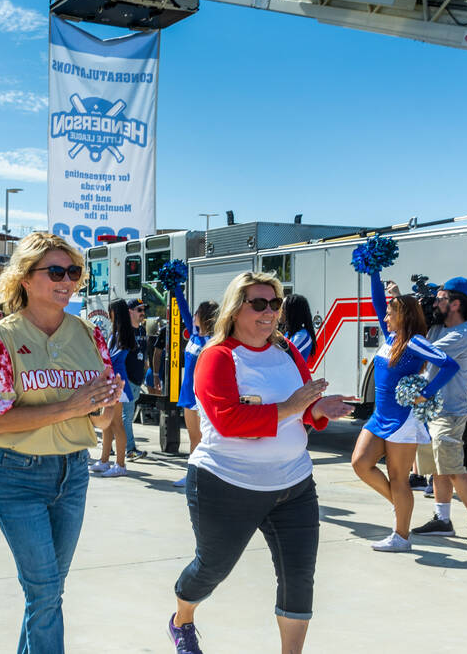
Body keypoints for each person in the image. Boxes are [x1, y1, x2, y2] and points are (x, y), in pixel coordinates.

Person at [169, 271, 351, 654]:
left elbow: (301, 406)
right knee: (212, 569)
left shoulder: (286, 351)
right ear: (236, 309)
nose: (269, 312)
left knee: (299, 578)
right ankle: (182, 619)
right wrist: (293, 406)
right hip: (226, 485)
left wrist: (320, 408)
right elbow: (228, 421)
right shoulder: (216, 357)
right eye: (259, 303)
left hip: (294, 485)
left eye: (275, 304)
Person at [0, 231, 122, 653]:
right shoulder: (1, 338)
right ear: (25, 277)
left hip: (73, 474)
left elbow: (104, 417)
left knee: (48, 593)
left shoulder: (89, 335)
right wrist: (71, 406)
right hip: (17, 477)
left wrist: (104, 404)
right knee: (44, 593)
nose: (67, 280)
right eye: (56, 271)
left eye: (74, 272)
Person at [350, 270, 457, 551]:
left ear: (404, 316)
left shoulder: (414, 342)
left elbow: (450, 365)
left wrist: (427, 392)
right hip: (379, 417)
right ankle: (401, 506)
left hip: (403, 420)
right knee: (360, 463)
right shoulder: (391, 336)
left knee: (399, 479)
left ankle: (401, 537)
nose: (384, 318)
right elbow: (376, 301)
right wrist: (373, 272)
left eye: (390, 313)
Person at [409, 276, 467, 550]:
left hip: (450, 412)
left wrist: (413, 320)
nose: (435, 303)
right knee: (437, 469)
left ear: (456, 304)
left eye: (441, 299)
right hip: (431, 409)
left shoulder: (465, 334)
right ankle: (442, 519)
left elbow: (426, 352)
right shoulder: (437, 328)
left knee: (454, 469)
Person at [170, 281, 218, 489]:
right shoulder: (195, 333)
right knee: (193, 438)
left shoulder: (214, 340)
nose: (194, 315)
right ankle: (192, 476)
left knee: (204, 439)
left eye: (198, 312)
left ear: (205, 316)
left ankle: (205, 478)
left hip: (201, 396)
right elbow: (183, 309)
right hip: (187, 394)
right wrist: (175, 287)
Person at [94, 297, 148, 471]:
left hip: (118, 383)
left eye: (111, 311)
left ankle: (120, 464)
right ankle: (104, 461)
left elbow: (114, 359)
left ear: (115, 312)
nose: (109, 315)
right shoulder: (117, 332)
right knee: (108, 423)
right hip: (113, 382)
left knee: (116, 423)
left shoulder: (124, 333)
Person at [281, 294, 317, 362]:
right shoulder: (288, 333)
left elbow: (283, 357)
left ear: (292, 313)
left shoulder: (302, 335)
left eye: (283, 308)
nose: (280, 311)